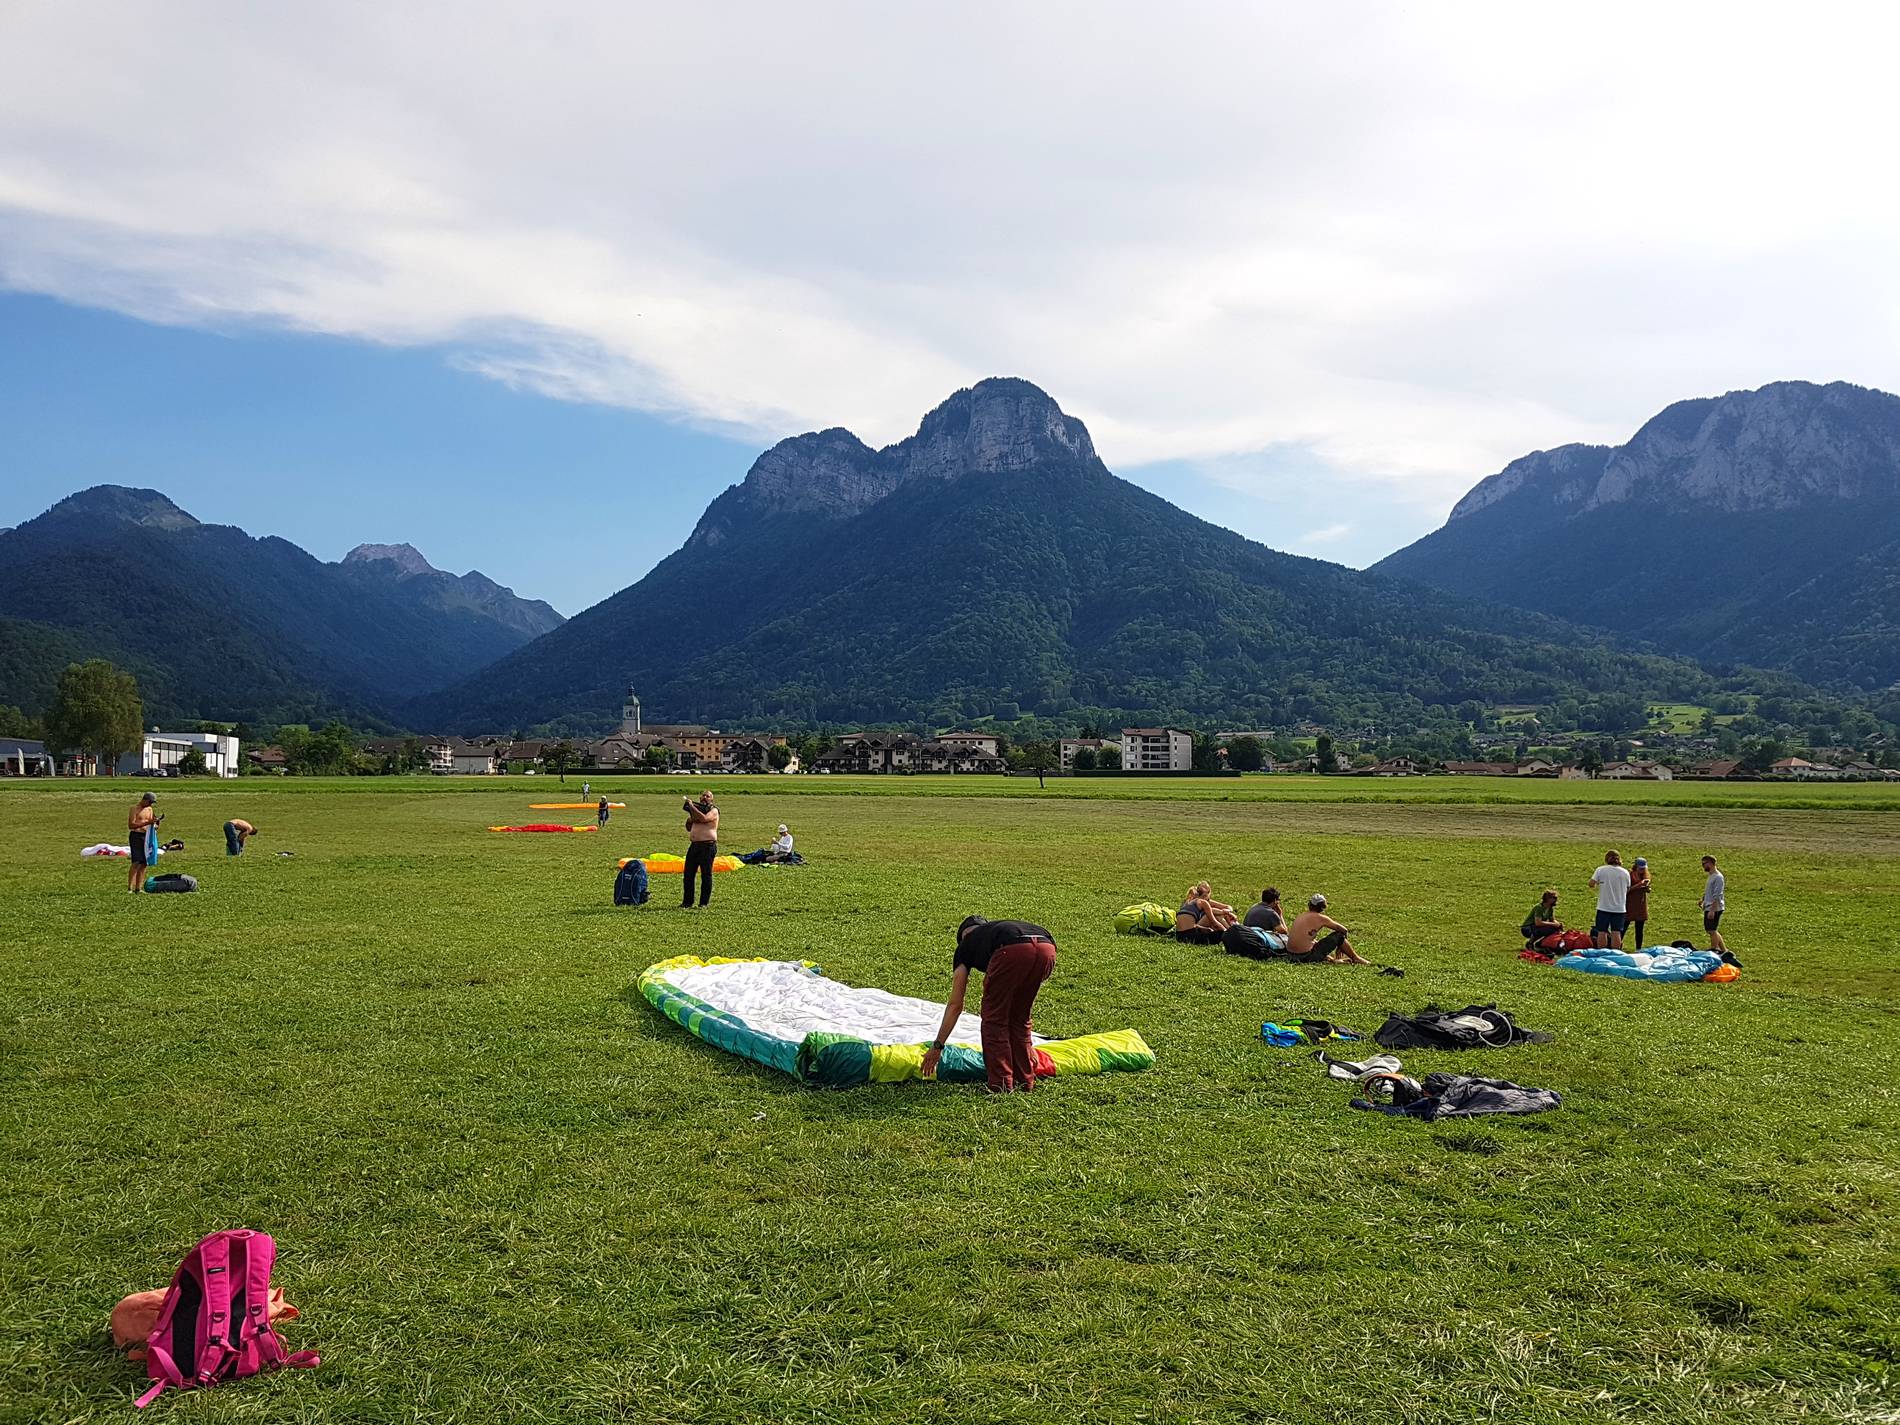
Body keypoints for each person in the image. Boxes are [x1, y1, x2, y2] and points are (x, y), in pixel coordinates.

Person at [922, 916, 1057, 1093]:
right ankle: (1025, 1081)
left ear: (963, 935)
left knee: (994, 1019)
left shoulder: (966, 945)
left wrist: (938, 1045)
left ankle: (1000, 1085)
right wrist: (1026, 1046)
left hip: (1011, 951)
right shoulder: (995, 932)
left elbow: (955, 1004)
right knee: (1020, 1016)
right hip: (1047, 948)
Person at [1284, 894, 1370, 964]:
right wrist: (1340, 948)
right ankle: (1355, 958)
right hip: (1306, 957)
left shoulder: (1301, 915)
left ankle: (1333, 961)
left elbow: (1305, 938)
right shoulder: (1321, 918)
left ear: (1309, 905)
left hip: (1291, 956)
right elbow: (1344, 930)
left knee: (1316, 942)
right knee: (1339, 935)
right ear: (1323, 907)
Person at [681, 791, 719, 907]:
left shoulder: (714, 811)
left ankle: (703, 903)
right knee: (688, 875)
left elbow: (703, 819)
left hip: (707, 846)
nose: (704, 797)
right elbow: (688, 827)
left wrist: (691, 806)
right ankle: (687, 902)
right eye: (703, 795)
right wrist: (690, 818)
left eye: (708, 796)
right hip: (694, 846)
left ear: (711, 799)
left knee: (706, 875)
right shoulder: (696, 812)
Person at [1589, 849, 1630, 948]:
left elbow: (1591, 883)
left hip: (1604, 906)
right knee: (1616, 932)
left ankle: (1602, 951)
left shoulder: (1601, 870)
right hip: (1619, 908)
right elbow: (1627, 889)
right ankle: (1616, 952)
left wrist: (1599, 883)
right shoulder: (1625, 872)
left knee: (1602, 931)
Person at [128, 791, 160, 893]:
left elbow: (151, 824)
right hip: (136, 836)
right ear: (144, 800)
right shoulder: (134, 809)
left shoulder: (150, 809)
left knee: (144, 863)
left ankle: (138, 887)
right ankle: (130, 887)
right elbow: (131, 825)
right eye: (149, 802)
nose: (150, 804)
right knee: (136, 862)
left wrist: (156, 824)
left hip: (147, 837)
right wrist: (147, 822)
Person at [1700, 854, 1727, 952]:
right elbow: (1709, 891)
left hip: (1715, 907)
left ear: (1710, 863)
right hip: (1709, 905)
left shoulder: (1718, 877)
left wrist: (1712, 910)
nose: (1703, 866)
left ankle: (1714, 949)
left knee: (1711, 930)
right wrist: (1703, 899)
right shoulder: (1711, 876)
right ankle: (1724, 950)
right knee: (1711, 929)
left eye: (1704, 864)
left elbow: (1717, 895)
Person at [1625, 857, 1652, 949]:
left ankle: (1638, 948)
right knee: (1624, 926)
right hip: (1630, 904)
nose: (1642, 870)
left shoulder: (1646, 876)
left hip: (1641, 905)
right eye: (1640, 868)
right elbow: (1626, 890)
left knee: (1639, 929)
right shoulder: (1629, 875)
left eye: (1644, 869)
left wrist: (1647, 888)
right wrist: (1639, 885)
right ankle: (1617, 945)